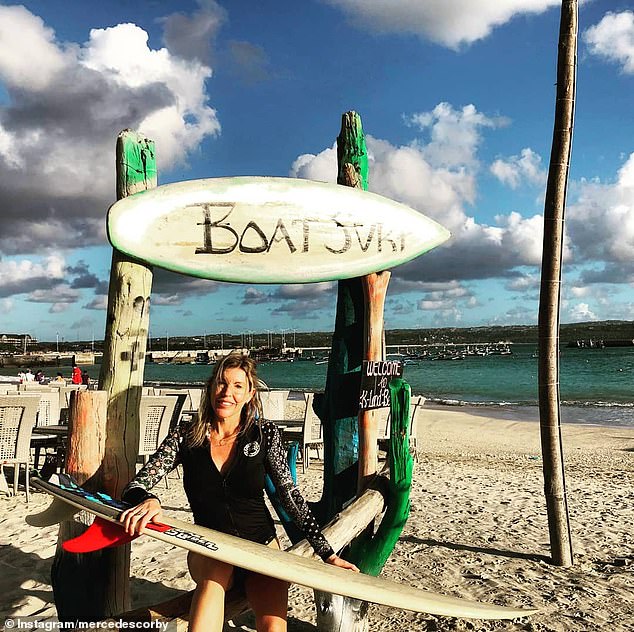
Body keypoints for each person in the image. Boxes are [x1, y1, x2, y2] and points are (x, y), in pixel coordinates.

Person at [120, 353, 358, 632]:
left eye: (237, 386)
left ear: (249, 394)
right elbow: (135, 485)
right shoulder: (186, 435)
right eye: (221, 384)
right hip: (208, 546)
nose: (227, 393)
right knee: (216, 569)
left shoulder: (264, 434)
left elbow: (289, 496)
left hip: (260, 548)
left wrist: (327, 554)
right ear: (210, 387)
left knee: (272, 627)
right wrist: (148, 499)